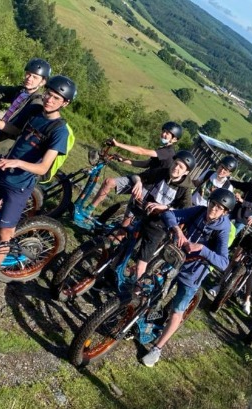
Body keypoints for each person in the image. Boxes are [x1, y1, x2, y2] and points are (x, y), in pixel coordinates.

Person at [0, 75, 76, 299]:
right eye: (48, 94)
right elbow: (14, 130)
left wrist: (17, 163)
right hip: (1, 172)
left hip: (19, 185)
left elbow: (43, 167)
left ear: (65, 103)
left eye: (56, 98)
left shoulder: (59, 131)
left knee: (5, 233)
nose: (49, 99)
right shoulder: (35, 112)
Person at [141, 189, 235, 367]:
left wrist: (202, 249)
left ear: (225, 212)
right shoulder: (199, 211)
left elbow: (223, 263)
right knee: (153, 290)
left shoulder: (223, 229)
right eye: (213, 203)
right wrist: (178, 230)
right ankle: (143, 320)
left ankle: (157, 349)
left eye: (219, 208)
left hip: (193, 273)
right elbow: (169, 214)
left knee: (177, 310)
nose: (213, 209)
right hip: (174, 260)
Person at [76, 121, 184, 219]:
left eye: (167, 133)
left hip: (149, 188)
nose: (163, 134)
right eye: (163, 131)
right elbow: (146, 164)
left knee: (129, 216)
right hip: (139, 179)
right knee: (108, 182)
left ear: (174, 139)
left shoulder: (168, 152)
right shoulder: (162, 149)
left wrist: (118, 144)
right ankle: (88, 211)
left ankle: (122, 229)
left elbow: (141, 151)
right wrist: (123, 160)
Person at [130, 151, 196, 281]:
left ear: (186, 172)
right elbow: (139, 176)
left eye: (181, 167)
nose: (176, 168)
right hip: (145, 213)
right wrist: (138, 182)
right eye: (176, 164)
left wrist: (166, 207)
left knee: (141, 263)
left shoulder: (185, 189)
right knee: (124, 244)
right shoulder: (162, 172)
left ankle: (137, 289)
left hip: (160, 224)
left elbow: (186, 211)